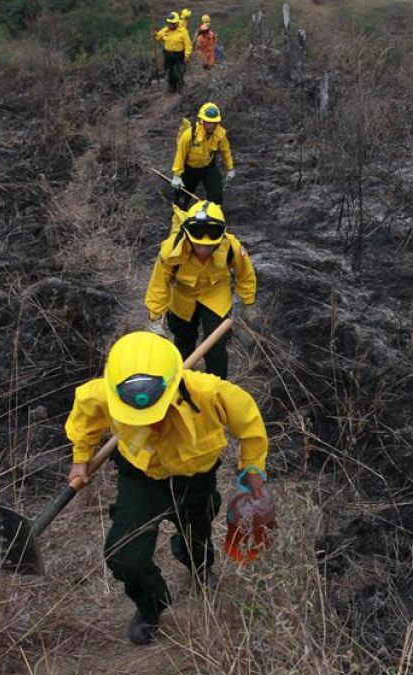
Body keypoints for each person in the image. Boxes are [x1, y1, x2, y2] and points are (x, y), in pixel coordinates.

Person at [64, 331, 269, 645]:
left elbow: (250, 423)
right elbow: (85, 415)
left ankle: (199, 566)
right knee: (124, 556)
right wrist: (81, 456)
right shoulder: (103, 392)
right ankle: (151, 607)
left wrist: (252, 466)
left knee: (196, 532)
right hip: (141, 477)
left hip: (196, 477)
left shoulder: (210, 392)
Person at [145, 199, 257, 380]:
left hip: (215, 295)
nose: (204, 249)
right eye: (198, 244)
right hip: (183, 296)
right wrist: (155, 317)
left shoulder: (232, 247)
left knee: (216, 346)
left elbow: (245, 274)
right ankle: (183, 381)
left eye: (209, 245)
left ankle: (217, 385)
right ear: (188, 236)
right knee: (182, 340)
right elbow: (159, 284)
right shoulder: (170, 250)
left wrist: (248, 303)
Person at [170, 102, 234, 208]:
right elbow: (180, 154)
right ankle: (178, 218)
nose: (211, 125)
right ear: (202, 120)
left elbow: (225, 151)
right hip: (189, 169)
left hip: (208, 168)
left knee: (216, 194)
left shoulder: (220, 134)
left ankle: (214, 216)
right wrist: (176, 175)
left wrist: (230, 168)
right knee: (181, 198)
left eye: (214, 123)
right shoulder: (189, 135)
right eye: (208, 122)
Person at [154, 11, 191, 93]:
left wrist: (187, 55)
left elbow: (188, 44)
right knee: (170, 71)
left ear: (177, 23)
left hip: (179, 55)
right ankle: (172, 87)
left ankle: (181, 87)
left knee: (179, 71)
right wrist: (155, 35)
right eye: (169, 23)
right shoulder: (165, 30)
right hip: (168, 55)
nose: (170, 25)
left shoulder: (183, 31)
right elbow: (157, 38)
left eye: (172, 23)